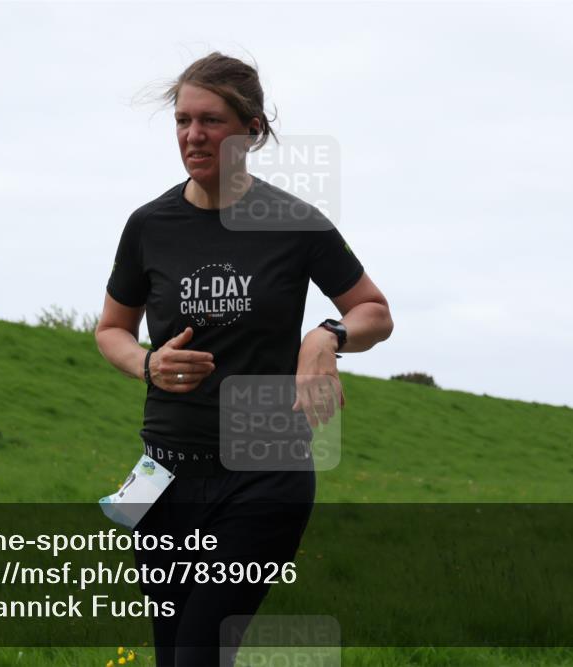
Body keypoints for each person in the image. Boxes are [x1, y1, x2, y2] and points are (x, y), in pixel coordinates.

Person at [95, 52, 393, 667]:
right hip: (164, 477)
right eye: (182, 120)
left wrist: (325, 337)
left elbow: (373, 310)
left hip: (262, 477)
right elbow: (112, 330)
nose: (193, 136)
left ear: (252, 129)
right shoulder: (149, 225)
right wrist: (147, 364)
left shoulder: (294, 224)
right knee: (175, 653)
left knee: (199, 654)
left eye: (211, 121)